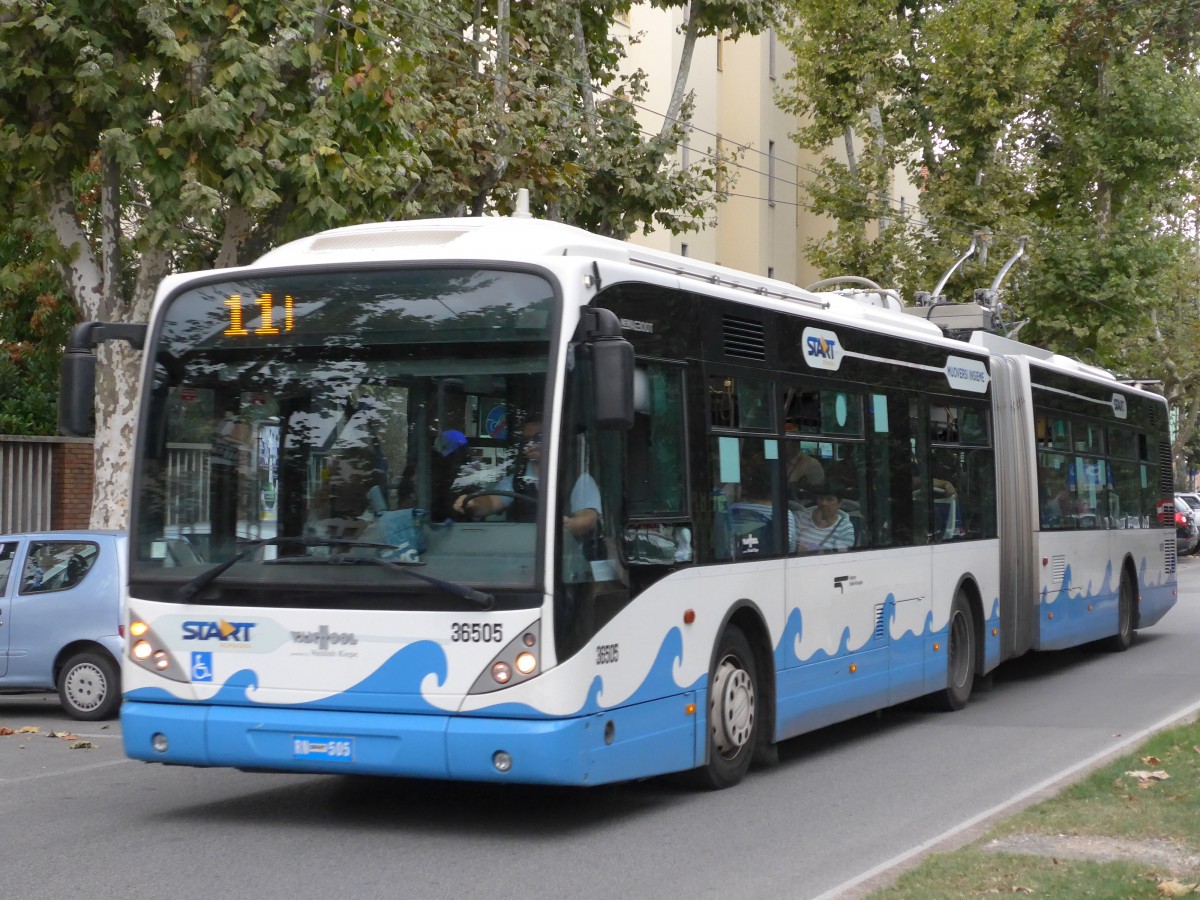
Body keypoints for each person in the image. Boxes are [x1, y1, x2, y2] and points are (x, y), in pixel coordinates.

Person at [454, 420, 601, 538]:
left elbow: (588, 519)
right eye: (525, 440)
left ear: (555, 440)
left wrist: (570, 524)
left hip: (562, 560)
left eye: (538, 438)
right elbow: (492, 502)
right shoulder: (517, 479)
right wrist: (473, 503)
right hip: (523, 555)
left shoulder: (578, 479)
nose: (530, 444)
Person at [795, 481, 855, 552]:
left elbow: (840, 556)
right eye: (820, 498)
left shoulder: (845, 527)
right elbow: (792, 544)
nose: (824, 503)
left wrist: (812, 549)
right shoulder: (801, 517)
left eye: (829, 500)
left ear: (839, 503)